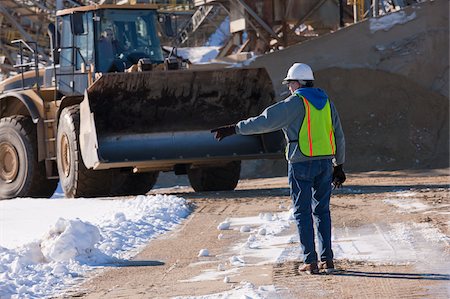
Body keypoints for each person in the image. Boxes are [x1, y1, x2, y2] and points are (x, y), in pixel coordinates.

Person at [211, 63, 346, 275]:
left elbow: (265, 122)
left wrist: (235, 128)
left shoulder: (295, 103)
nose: (289, 87)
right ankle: (327, 260)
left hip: (301, 163)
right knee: (322, 211)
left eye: (290, 83)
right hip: (325, 163)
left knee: (302, 212)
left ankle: (310, 261)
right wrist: (339, 165)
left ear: (298, 82)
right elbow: (338, 133)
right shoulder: (327, 102)